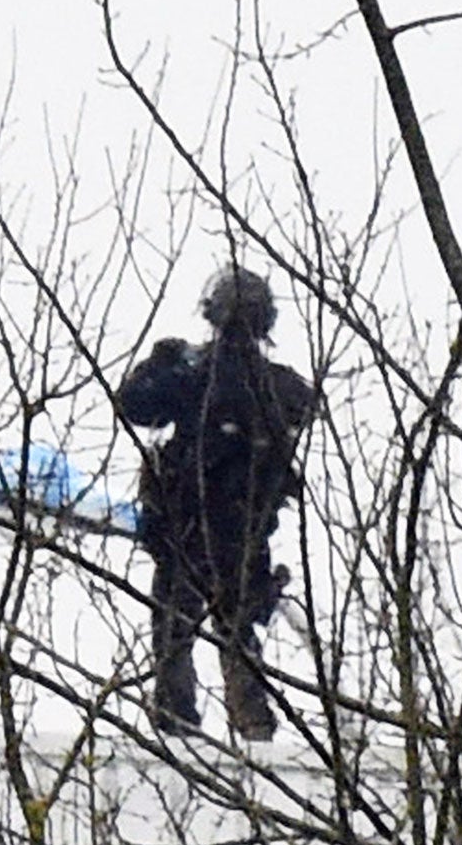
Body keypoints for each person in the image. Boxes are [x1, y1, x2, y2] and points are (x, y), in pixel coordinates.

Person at [118, 265, 316, 739]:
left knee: (175, 636)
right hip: (239, 537)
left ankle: (179, 726)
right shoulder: (277, 386)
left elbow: (133, 403)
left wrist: (163, 361)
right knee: (237, 641)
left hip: (188, 534)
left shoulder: (194, 375)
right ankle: (252, 733)